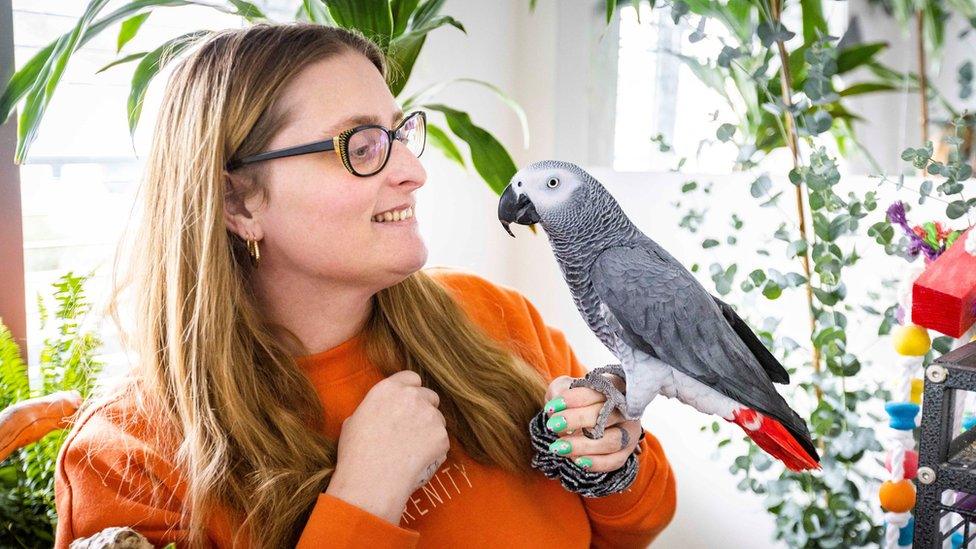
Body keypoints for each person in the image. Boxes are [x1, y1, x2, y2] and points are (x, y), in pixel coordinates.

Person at [53, 23, 676, 549]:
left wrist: (612, 466)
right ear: (235, 200)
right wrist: (363, 499)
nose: (413, 170)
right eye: (361, 144)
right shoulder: (126, 459)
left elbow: (639, 526)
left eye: (400, 133)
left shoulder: (493, 316)